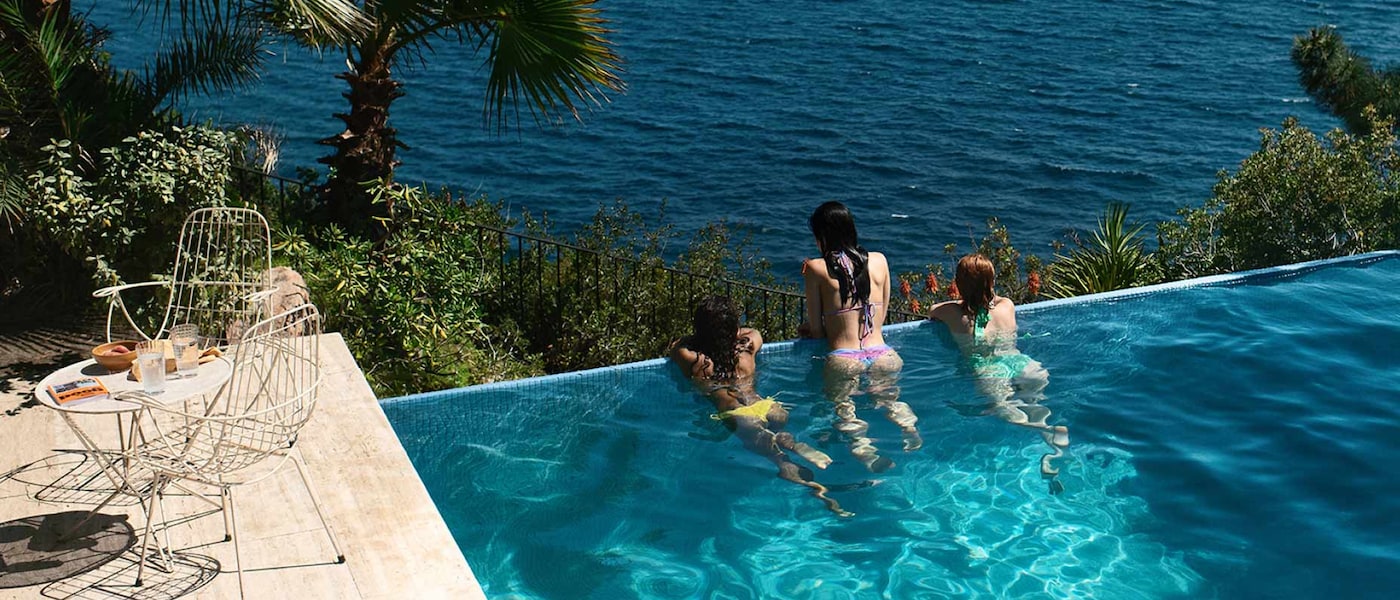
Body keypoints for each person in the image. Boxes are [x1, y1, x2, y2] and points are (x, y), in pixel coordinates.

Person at [670, 296, 852, 517]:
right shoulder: (747, 350)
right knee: (777, 433)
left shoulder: (694, 360)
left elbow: (676, 344)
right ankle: (793, 444)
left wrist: (705, 336)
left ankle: (808, 483)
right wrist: (732, 331)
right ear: (734, 329)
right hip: (767, 406)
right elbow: (754, 331)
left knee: (777, 458)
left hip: (736, 412)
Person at [797, 201, 921, 473]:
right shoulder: (880, 260)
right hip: (884, 354)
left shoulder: (816, 268)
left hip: (844, 358)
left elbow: (818, 330)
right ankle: (909, 429)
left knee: (844, 408)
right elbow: (883, 312)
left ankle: (865, 449)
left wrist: (811, 330)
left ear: (822, 235)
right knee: (891, 400)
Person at [928, 254, 1069, 491]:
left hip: (989, 368)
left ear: (960, 284)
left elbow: (932, 310)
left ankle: (1046, 430)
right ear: (991, 281)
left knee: (1006, 412)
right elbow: (994, 301)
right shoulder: (1007, 305)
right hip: (1023, 363)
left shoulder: (955, 315)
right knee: (1035, 406)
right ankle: (1053, 449)